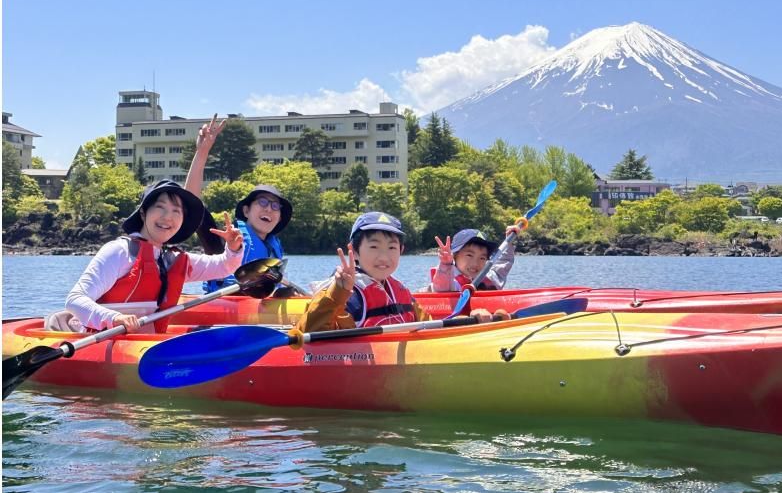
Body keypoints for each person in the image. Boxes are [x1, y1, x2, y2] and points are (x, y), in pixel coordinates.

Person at [46, 180, 244, 334]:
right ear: (143, 213)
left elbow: (224, 266)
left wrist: (234, 248)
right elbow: (74, 300)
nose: (168, 217)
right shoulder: (119, 252)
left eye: (176, 211)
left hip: (144, 343)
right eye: (160, 207)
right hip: (100, 340)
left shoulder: (173, 259)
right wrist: (114, 318)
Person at [296, 212, 502, 333]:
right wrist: (338, 291)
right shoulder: (344, 291)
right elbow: (310, 334)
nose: (384, 257)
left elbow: (429, 325)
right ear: (354, 251)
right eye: (375, 247)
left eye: (392, 248)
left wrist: (469, 321)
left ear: (401, 251)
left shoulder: (399, 290)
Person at [184, 115, 294, 294]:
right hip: (223, 315)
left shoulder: (274, 248)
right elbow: (191, 203)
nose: (269, 209)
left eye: (275, 206)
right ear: (246, 210)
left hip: (262, 316)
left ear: (279, 217)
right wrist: (202, 152)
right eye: (263, 202)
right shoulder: (224, 241)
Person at [428, 227, 519, 293]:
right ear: (455, 256)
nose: (475, 263)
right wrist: (446, 264)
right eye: (469, 255)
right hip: (459, 316)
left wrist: (509, 242)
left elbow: (503, 263)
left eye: (482, 258)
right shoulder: (450, 281)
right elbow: (443, 288)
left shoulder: (490, 277)